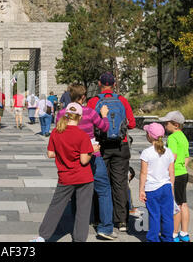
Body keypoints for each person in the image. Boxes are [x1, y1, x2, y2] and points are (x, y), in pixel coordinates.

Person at [56, 84, 115, 240]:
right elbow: (104, 128)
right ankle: (106, 228)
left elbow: (59, 131)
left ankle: (78, 227)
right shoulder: (89, 112)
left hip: (70, 157)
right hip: (91, 154)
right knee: (103, 190)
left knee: (76, 191)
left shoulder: (62, 113)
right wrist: (103, 115)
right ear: (83, 97)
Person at [31, 103, 97, 242]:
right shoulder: (82, 135)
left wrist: (63, 153)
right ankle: (79, 239)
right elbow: (84, 160)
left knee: (55, 207)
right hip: (83, 177)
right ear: (80, 117)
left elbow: (50, 154)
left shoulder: (56, 132)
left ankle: (43, 236)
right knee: (83, 210)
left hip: (65, 176)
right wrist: (92, 150)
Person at [87, 72, 136, 232]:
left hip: (100, 147)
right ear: (114, 84)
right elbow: (132, 124)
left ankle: (100, 219)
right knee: (120, 182)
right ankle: (121, 221)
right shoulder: (122, 100)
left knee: (100, 183)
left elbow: (88, 124)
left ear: (99, 84)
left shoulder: (94, 101)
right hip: (121, 146)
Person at [139, 123, 175, 242]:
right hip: (166, 187)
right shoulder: (169, 152)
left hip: (152, 189)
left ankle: (153, 239)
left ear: (149, 135)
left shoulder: (147, 152)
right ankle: (167, 238)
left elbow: (143, 173)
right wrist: (172, 187)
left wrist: (141, 190)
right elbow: (171, 171)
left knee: (154, 215)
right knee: (167, 216)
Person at [159, 111, 190, 242]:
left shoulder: (172, 138)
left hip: (175, 175)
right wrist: (182, 167)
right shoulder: (183, 136)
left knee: (175, 205)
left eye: (167, 123)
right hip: (183, 173)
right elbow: (187, 157)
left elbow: (173, 157)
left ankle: (174, 233)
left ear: (176, 125)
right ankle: (184, 232)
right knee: (183, 203)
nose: (165, 126)